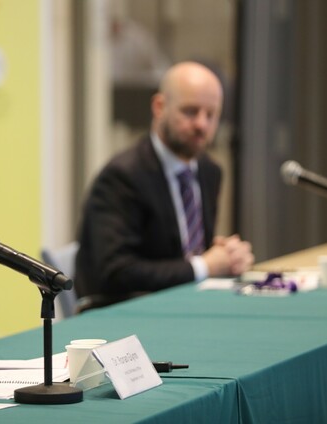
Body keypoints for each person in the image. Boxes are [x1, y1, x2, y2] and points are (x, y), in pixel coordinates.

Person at [75, 61, 254, 309]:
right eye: (190, 111)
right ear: (159, 107)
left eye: (211, 114)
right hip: (130, 314)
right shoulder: (122, 177)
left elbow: (182, 251)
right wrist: (204, 266)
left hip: (189, 306)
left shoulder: (209, 171)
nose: (202, 124)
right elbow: (116, 272)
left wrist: (228, 257)